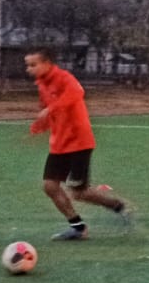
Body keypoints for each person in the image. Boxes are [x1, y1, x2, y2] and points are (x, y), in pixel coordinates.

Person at [25, 48, 130, 240]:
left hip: (79, 142)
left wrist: (50, 109)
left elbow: (77, 92)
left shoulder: (64, 78)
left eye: (33, 65)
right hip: (59, 144)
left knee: (79, 193)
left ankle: (116, 205)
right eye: (28, 65)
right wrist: (38, 127)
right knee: (50, 186)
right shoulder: (42, 85)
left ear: (47, 63)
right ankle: (78, 228)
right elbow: (49, 113)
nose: (29, 69)